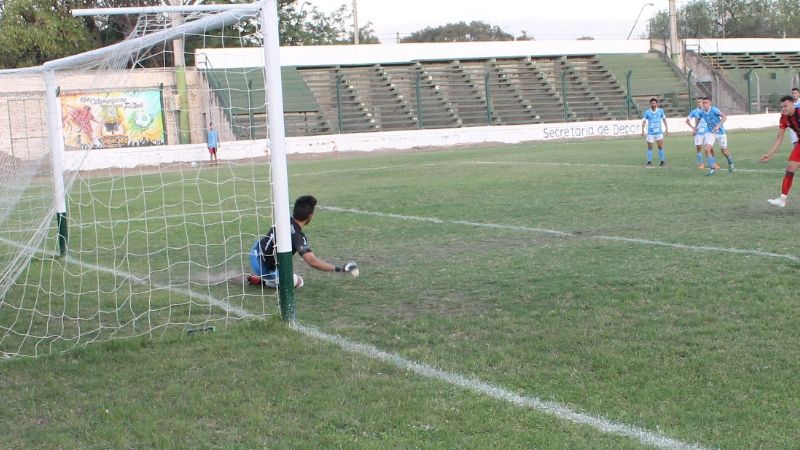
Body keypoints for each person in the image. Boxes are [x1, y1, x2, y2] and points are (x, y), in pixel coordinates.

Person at [248, 195, 358, 287]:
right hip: (262, 267)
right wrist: (339, 268)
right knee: (299, 282)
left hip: (255, 250)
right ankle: (262, 281)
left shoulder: (284, 218)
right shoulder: (297, 236)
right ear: (310, 216)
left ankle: (268, 277)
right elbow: (312, 261)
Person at [759, 96, 800, 208]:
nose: (783, 109)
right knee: (790, 169)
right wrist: (769, 154)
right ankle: (782, 200)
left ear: (792, 105)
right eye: (782, 107)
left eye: (785, 106)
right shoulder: (784, 118)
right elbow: (779, 138)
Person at [698, 97, 734, 175]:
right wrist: (696, 128)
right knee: (707, 149)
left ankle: (730, 161)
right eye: (703, 103)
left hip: (720, 132)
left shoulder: (714, 110)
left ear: (710, 103)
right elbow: (698, 118)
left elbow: (724, 117)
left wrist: (718, 126)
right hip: (710, 132)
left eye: (706, 102)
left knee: (723, 150)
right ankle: (712, 167)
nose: (704, 104)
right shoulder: (702, 112)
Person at [641, 97, 668, 167]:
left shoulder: (660, 111)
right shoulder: (647, 112)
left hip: (659, 133)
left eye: (654, 103)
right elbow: (644, 121)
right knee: (650, 148)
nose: (653, 104)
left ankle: (662, 162)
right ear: (650, 104)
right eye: (651, 103)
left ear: (656, 104)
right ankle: (649, 162)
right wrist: (642, 130)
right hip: (650, 133)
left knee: (660, 147)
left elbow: (664, 119)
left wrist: (667, 129)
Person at [685, 97, 710, 169]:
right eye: (698, 102)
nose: (699, 103)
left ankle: (711, 163)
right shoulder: (694, 111)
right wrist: (693, 128)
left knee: (708, 148)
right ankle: (701, 164)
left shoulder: (707, 110)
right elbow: (687, 120)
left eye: (701, 102)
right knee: (699, 148)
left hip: (707, 131)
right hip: (698, 133)